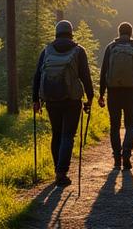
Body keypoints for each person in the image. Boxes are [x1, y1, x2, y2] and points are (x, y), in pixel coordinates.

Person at [32, 20, 94, 187]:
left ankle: (57, 170)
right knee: (68, 135)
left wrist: (35, 100)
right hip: (72, 100)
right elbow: (85, 76)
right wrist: (90, 97)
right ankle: (61, 173)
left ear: (56, 33)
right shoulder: (78, 51)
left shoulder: (47, 51)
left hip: (51, 99)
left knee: (57, 134)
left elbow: (37, 76)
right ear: (70, 32)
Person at [98, 22, 133, 171]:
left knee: (114, 126)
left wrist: (101, 94)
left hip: (113, 92)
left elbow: (104, 71)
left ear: (118, 33)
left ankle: (116, 158)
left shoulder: (111, 48)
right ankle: (126, 153)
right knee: (130, 125)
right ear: (131, 33)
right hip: (131, 92)